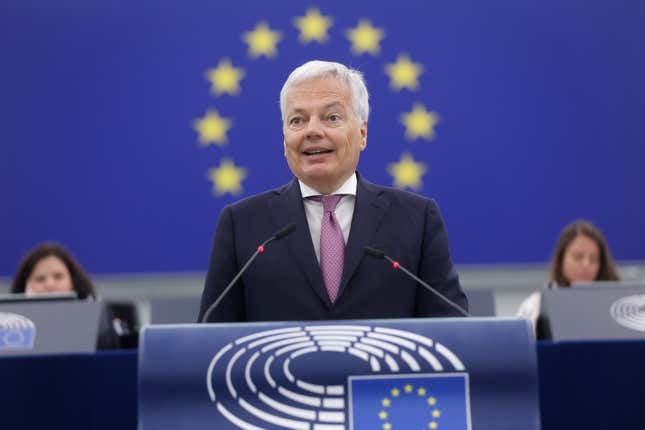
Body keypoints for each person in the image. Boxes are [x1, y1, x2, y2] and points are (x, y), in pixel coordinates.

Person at [198, 60, 468, 322]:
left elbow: (455, 332)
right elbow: (210, 343)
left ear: (362, 134)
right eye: (297, 121)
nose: (312, 130)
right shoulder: (242, 224)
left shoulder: (417, 219)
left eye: (332, 117)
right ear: (284, 139)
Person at [11, 242, 120, 349]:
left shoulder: (97, 320)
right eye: (40, 279)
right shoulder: (8, 324)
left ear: (73, 281)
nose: (50, 285)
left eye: (58, 276)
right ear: (25, 286)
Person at [517, 219, 620, 326]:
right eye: (578, 257)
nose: (586, 265)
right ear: (561, 259)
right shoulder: (535, 306)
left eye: (593, 259)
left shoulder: (617, 307)